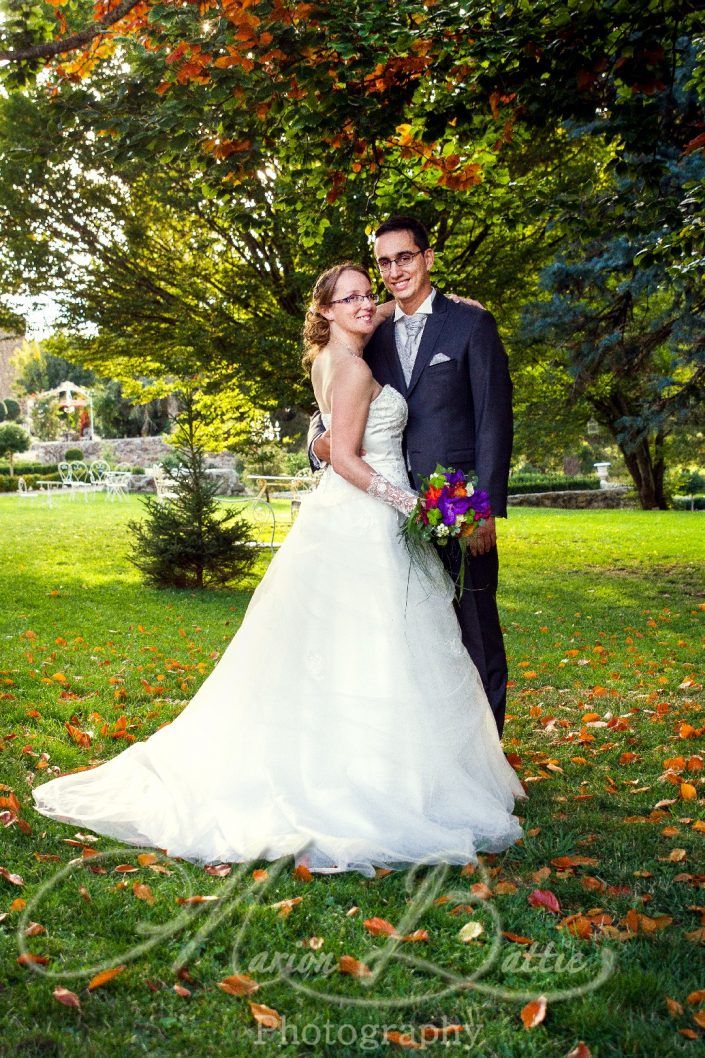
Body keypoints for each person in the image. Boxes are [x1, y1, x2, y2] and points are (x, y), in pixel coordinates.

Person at [31, 261, 524, 879]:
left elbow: (427, 424)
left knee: (372, 648)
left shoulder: (380, 347)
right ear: (325, 311)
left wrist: (453, 501)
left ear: (421, 263)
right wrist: (416, 505)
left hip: (371, 516)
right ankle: (380, 780)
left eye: (367, 294)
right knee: (383, 647)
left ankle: (398, 766)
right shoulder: (351, 364)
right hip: (373, 517)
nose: (365, 303)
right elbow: (340, 451)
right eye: (350, 297)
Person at [308, 216, 513, 736]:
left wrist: (484, 508)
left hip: (457, 502)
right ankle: (431, 746)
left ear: (427, 258)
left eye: (404, 257)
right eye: (384, 262)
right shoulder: (369, 331)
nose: (395, 269)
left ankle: (489, 751)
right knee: (412, 636)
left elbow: (494, 419)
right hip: (388, 509)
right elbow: (332, 405)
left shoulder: (470, 325)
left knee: (475, 624)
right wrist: (316, 445)